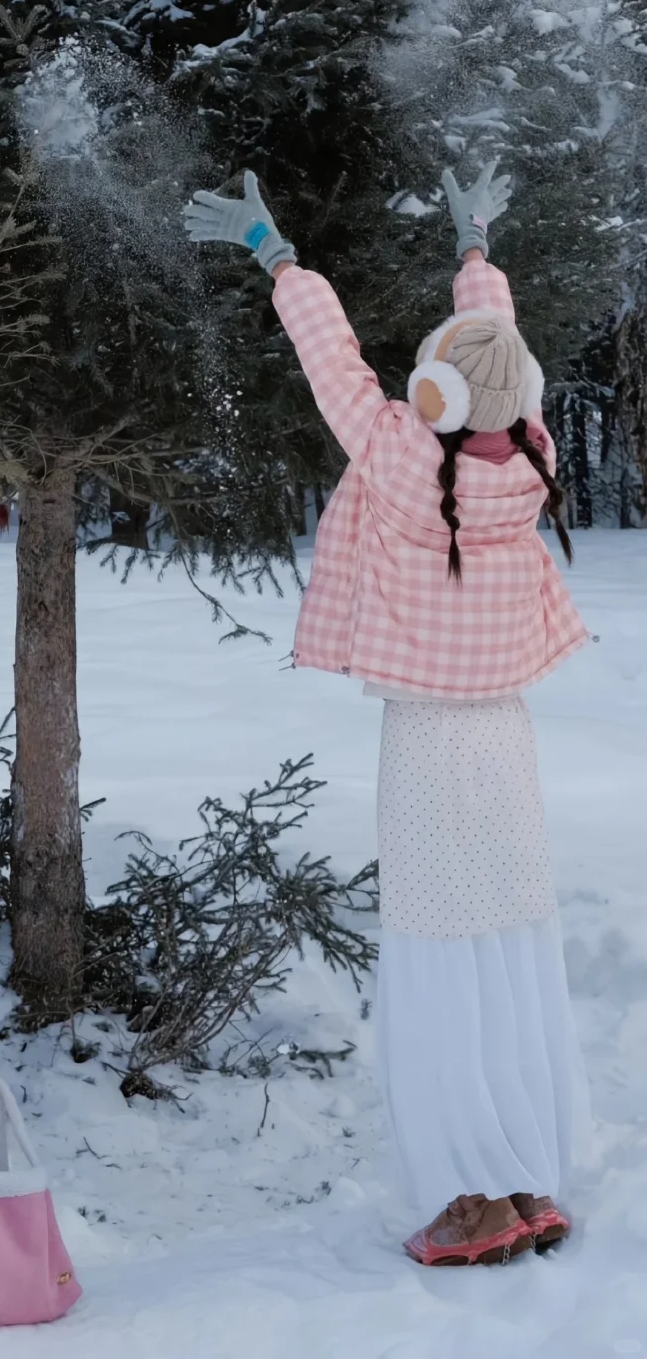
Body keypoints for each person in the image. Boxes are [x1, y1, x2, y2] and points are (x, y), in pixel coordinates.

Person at [183, 162, 591, 1269]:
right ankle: (520, 1179)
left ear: (443, 399)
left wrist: (277, 253)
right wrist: (475, 250)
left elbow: (335, 361)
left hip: (427, 743)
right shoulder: (536, 453)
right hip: (504, 741)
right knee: (504, 949)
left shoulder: (403, 458)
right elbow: (496, 336)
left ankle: (471, 1200)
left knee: (440, 961)